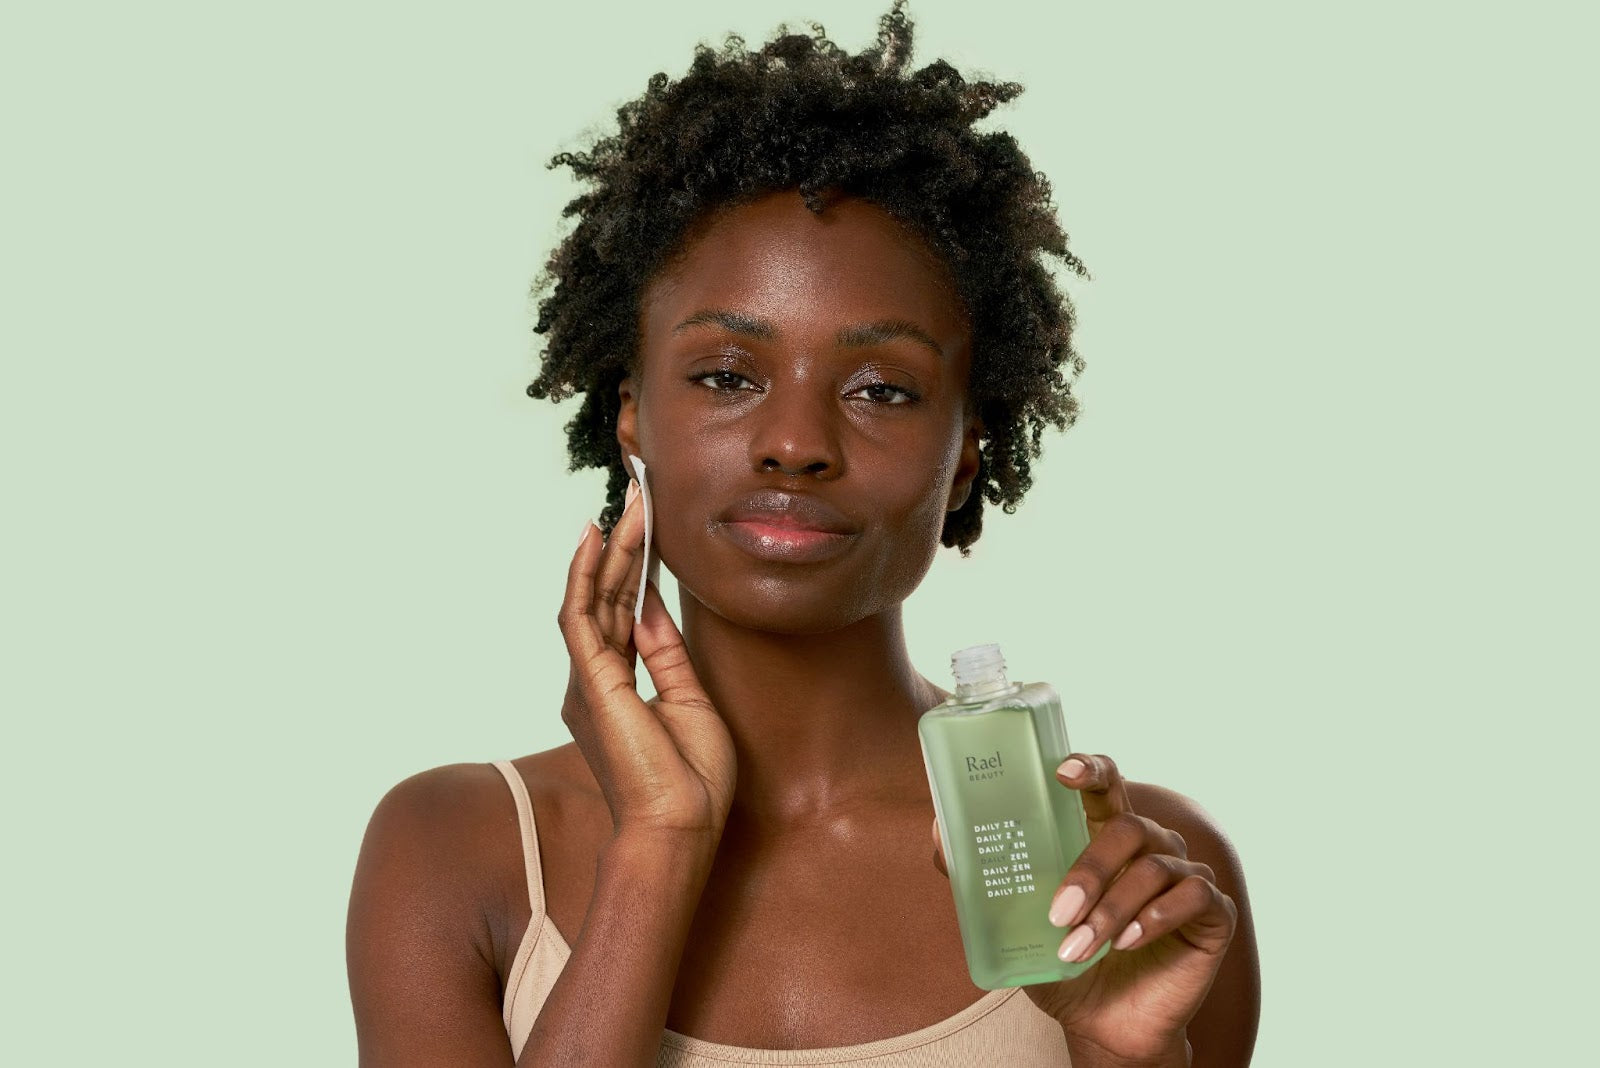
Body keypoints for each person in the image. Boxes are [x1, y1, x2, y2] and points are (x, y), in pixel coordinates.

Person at [346, 4, 1260, 1065]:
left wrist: (1124, 1056)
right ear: (630, 410)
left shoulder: (1125, 874)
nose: (792, 442)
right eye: (727, 376)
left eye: (880, 389)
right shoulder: (457, 848)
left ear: (966, 449)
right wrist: (658, 847)